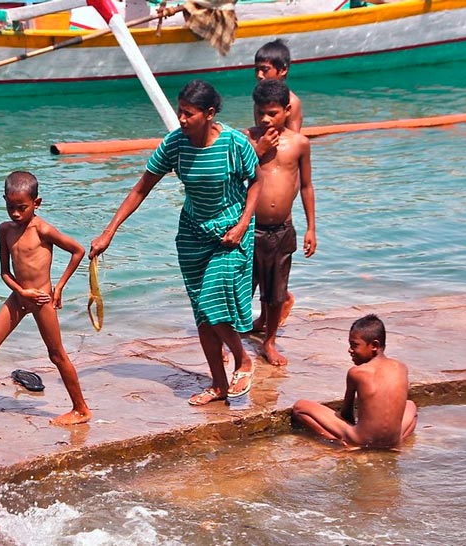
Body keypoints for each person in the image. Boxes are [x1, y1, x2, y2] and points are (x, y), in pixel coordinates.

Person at [90, 79, 261, 406]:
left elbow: (256, 183)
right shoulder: (174, 144)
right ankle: (219, 384)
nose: (181, 119)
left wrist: (242, 225)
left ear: (210, 114)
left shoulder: (235, 144)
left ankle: (243, 359)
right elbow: (141, 187)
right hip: (193, 235)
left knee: (213, 300)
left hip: (230, 233)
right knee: (203, 316)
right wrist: (109, 231)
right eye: (180, 112)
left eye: (189, 114)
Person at [0, 171, 92, 426]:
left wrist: (59, 288)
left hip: (42, 299)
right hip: (19, 296)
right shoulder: (5, 230)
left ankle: (81, 409)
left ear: (37, 203)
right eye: (10, 207)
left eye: (21, 208)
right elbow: (4, 271)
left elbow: (78, 251)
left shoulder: (42, 229)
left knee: (56, 354)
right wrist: (21, 291)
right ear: (4, 200)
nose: (15, 214)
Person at [245, 79, 316, 367]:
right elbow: (236, 176)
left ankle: (269, 342)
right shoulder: (246, 139)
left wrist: (311, 227)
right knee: (240, 288)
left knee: (275, 293)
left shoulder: (299, 144)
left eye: (271, 113)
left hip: (281, 230)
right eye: (260, 112)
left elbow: (307, 186)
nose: (264, 118)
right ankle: (231, 339)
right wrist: (258, 150)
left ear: (287, 110)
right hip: (249, 228)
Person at [292, 314, 418, 449]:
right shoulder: (401, 368)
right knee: (411, 406)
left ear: (374, 345)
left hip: (361, 440)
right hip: (393, 442)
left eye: (355, 345)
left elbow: (347, 414)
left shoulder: (357, 373)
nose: (350, 350)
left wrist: (349, 427)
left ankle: (345, 443)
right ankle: (395, 443)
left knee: (300, 407)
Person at [254, 38, 303, 132]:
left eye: (265, 70)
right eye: (257, 70)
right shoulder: (259, 99)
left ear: (283, 70)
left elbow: (294, 140)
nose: (259, 75)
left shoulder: (292, 102)